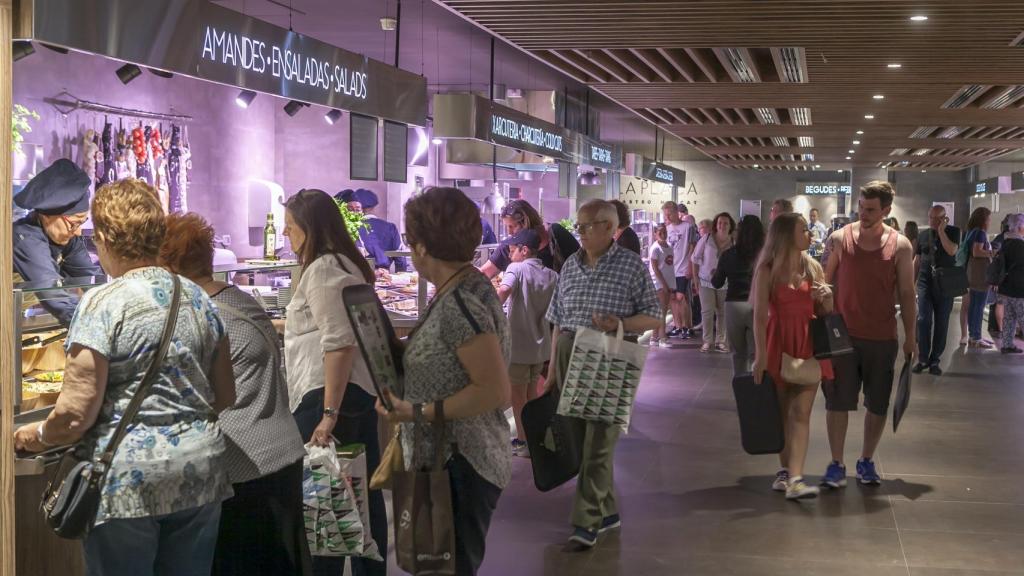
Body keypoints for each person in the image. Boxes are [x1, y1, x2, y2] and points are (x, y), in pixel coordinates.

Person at [14, 179, 236, 574]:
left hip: (130, 483)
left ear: (102, 238)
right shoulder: (198, 296)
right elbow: (224, 394)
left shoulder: (102, 303)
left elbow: (74, 416)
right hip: (201, 473)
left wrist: (36, 437)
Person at [159, 213, 311, 576]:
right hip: (284, 450)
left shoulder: (196, 316)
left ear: (167, 265)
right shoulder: (240, 299)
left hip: (243, 465)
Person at [376, 187, 511, 575]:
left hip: (457, 462)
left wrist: (414, 410)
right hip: (455, 459)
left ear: (419, 246)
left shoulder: (459, 303)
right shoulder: (466, 286)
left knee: (445, 567)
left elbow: (493, 390)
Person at [545, 199, 661, 549]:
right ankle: (607, 512)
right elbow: (557, 320)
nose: (579, 232)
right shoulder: (569, 266)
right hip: (569, 351)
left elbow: (655, 316)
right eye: (578, 226)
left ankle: (585, 523)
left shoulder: (630, 266)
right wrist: (551, 370)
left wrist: (620, 323)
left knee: (599, 442)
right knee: (579, 442)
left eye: (586, 225)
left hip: (609, 354)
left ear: (610, 228)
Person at [283, 189, 387, 576]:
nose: (287, 236)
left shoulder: (325, 269)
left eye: (291, 228)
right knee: (358, 500)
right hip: (349, 396)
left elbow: (339, 344)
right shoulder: (345, 263)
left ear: (310, 229)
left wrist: (328, 415)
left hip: (329, 398)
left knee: (327, 505)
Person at [820, 181, 916, 489]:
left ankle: (866, 460)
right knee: (837, 402)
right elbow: (824, 281)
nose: (864, 213)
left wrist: (911, 335)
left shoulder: (900, 246)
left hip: (882, 336)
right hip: (841, 336)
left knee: (877, 404)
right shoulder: (839, 238)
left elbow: (907, 292)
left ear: (886, 210)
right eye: (861, 207)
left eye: (871, 209)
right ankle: (836, 463)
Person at [752, 212, 833, 501]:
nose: (809, 235)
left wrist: (827, 299)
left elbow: (824, 313)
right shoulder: (768, 270)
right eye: (803, 230)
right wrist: (760, 356)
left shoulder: (812, 268)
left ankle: (796, 477)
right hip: (778, 344)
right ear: (787, 235)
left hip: (808, 344)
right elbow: (760, 317)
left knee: (801, 413)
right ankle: (785, 471)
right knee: (781, 413)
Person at [12, 158, 104, 326]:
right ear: (47, 216)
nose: (77, 231)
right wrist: (98, 329)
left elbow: (92, 280)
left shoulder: (67, 238)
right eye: (74, 223)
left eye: (81, 223)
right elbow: (56, 297)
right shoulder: (25, 238)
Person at [496, 228, 559, 457]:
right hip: (540, 346)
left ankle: (523, 442)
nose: (510, 254)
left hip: (518, 346)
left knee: (517, 396)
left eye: (512, 250)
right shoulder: (552, 275)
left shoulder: (517, 268)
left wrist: (485, 307)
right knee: (532, 394)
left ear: (524, 251)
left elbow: (503, 290)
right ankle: (535, 437)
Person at [714, 215, 765, 375]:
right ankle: (755, 387)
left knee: (737, 353)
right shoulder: (765, 255)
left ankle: (740, 390)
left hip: (733, 305)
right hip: (757, 304)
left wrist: (713, 273)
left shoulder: (728, 254)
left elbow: (717, 282)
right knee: (755, 352)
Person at [913, 205, 961, 375]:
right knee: (923, 320)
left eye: (936, 218)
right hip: (925, 282)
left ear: (944, 218)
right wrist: (912, 284)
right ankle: (923, 358)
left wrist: (941, 231)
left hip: (945, 284)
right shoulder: (923, 234)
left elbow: (952, 250)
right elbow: (917, 260)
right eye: (930, 217)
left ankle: (935, 360)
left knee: (942, 322)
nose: (932, 221)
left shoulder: (954, 232)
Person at [480, 199, 579, 277]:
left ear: (526, 223)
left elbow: (582, 264)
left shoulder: (556, 234)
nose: (509, 232)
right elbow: (484, 273)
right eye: (507, 227)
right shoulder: (509, 247)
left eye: (512, 226)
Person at [692, 212, 735, 353]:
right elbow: (695, 259)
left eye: (725, 223)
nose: (722, 225)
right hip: (705, 281)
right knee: (707, 311)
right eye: (720, 223)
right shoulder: (706, 238)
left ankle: (721, 341)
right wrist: (695, 279)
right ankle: (707, 341)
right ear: (716, 225)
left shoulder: (734, 242)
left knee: (723, 312)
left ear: (730, 226)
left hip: (725, 282)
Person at [340, 188, 408, 273]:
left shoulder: (351, 228)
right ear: (373, 207)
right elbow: (400, 258)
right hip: (384, 277)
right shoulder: (390, 227)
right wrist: (400, 278)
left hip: (360, 276)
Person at [662, 201, 697, 339]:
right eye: (666, 215)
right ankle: (678, 326)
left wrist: (690, 265)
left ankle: (688, 327)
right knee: (672, 299)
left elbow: (693, 246)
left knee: (681, 298)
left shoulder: (688, 227)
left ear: (676, 212)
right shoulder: (667, 228)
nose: (668, 217)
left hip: (683, 268)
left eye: (670, 214)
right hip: (671, 269)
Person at [963, 207, 996, 349]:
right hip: (980, 274)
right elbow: (977, 252)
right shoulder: (981, 233)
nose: (990, 221)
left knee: (974, 305)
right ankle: (976, 337)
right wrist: (991, 253)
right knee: (979, 306)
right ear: (983, 220)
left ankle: (973, 336)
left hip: (972, 272)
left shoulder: (971, 232)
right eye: (988, 219)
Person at [998, 213, 1024, 354]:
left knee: (1010, 317)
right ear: (1019, 227)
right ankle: (1008, 344)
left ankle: (1007, 344)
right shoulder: (1019, 244)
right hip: (1019, 288)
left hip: (1007, 287)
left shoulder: (1006, 242)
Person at [649, 224, 676, 348]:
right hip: (659, 284)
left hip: (669, 282)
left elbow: (669, 266)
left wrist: (670, 284)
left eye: (665, 232)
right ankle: (662, 338)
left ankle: (654, 337)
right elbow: (655, 268)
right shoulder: (655, 248)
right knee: (662, 312)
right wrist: (664, 284)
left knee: (663, 309)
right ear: (655, 234)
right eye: (660, 233)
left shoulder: (669, 247)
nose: (663, 235)